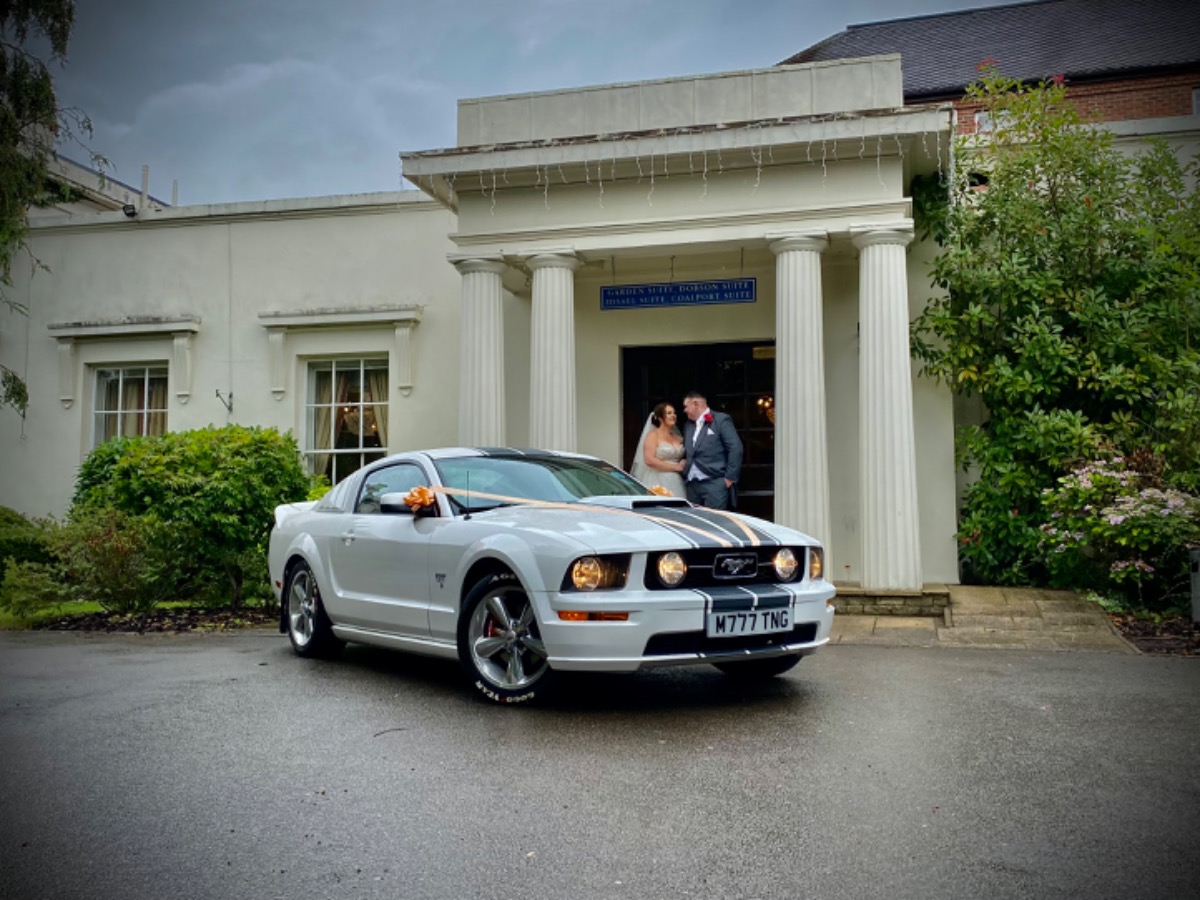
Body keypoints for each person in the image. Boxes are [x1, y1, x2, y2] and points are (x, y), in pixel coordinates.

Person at [681, 389, 743, 510]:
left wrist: (730, 477)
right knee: (693, 520)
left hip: (714, 482)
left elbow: (735, 447)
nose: (685, 410)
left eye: (686, 406)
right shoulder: (688, 425)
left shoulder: (721, 420)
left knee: (714, 519)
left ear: (695, 404)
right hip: (691, 484)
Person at [630, 401, 688, 498]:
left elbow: (686, 454)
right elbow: (649, 460)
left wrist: (684, 461)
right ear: (660, 418)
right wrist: (675, 467)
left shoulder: (678, 438)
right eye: (669, 413)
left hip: (676, 480)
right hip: (657, 479)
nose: (673, 416)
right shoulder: (653, 435)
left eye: (674, 413)